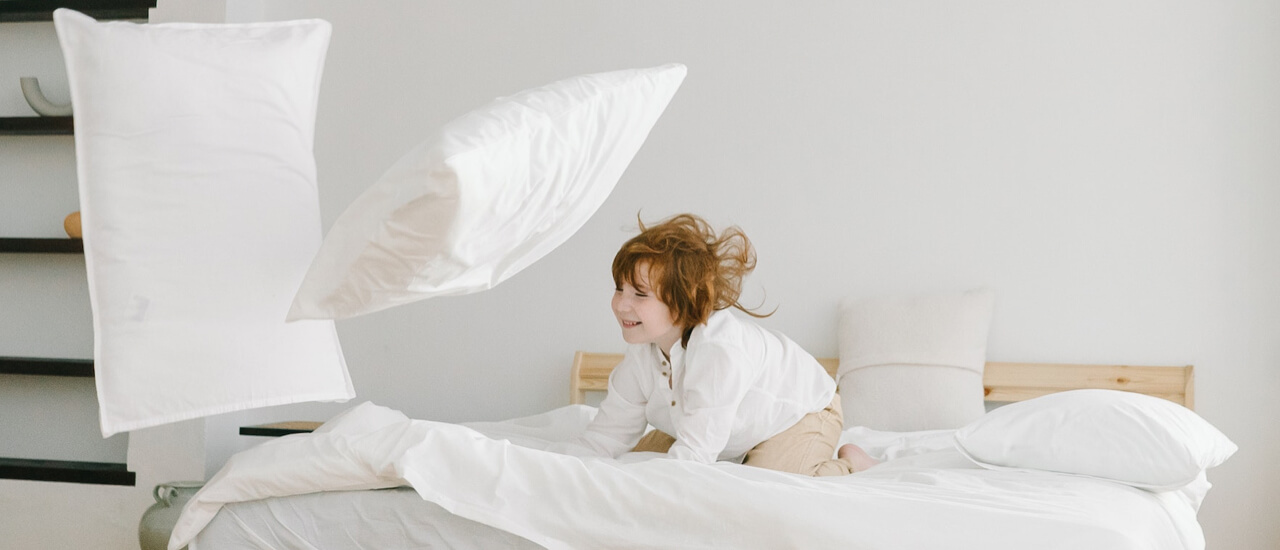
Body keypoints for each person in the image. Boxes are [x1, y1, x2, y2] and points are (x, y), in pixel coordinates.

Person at [551, 213, 877, 476]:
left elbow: (692, 458)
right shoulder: (643, 352)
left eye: (639, 294)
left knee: (768, 490)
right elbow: (607, 436)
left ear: (682, 302)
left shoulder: (719, 354)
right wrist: (554, 469)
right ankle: (739, 454)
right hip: (725, 423)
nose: (621, 304)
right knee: (636, 461)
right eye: (619, 289)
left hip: (800, 413)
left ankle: (852, 464)